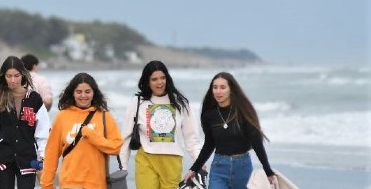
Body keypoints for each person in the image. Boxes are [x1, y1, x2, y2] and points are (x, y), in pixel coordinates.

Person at [183, 72, 276, 188]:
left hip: (242, 168)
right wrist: (194, 169)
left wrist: (268, 171)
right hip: (219, 168)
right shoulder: (209, 115)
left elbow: (256, 142)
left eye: (223, 87)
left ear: (231, 89)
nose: (218, 91)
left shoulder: (243, 113)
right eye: (215, 87)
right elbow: (209, 144)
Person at [119, 60, 201, 189]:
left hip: (172, 162)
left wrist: (199, 161)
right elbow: (125, 137)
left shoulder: (180, 102)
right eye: (154, 79)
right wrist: (122, 167)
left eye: (163, 78)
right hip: (146, 159)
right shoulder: (138, 102)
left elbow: (191, 137)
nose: (160, 82)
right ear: (147, 81)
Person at [40, 72, 123, 189]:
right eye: (79, 92)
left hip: (97, 184)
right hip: (69, 183)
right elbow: (51, 154)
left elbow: (116, 147)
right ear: (73, 93)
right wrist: (46, 185)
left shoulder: (104, 116)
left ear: (94, 93)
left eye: (87, 92)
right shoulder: (62, 116)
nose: (83, 96)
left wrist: (93, 136)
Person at [0, 56, 50, 189]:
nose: (13, 80)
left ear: (23, 75)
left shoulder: (34, 99)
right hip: (3, 159)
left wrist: (43, 157)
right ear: (3, 76)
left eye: (16, 75)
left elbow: (43, 131)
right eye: (9, 76)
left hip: (28, 158)